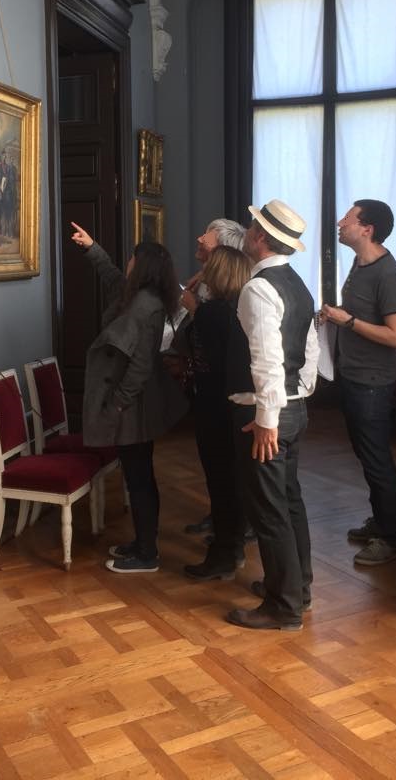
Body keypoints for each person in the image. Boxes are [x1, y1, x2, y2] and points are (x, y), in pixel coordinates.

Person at [71, 221, 189, 573]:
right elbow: (110, 276)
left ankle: (147, 553)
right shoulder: (141, 296)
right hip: (135, 403)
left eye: (133, 259)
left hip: (132, 405)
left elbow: (138, 366)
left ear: (143, 265)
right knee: (138, 474)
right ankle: (141, 542)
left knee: (138, 477)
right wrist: (92, 246)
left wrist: (119, 402)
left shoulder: (142, 306)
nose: (128, 263)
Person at [226, 199, 319, 632]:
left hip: (271, 413)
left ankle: (283, 608)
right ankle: (298, 588)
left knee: (269, 509)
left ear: (260, 237)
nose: (247, 230)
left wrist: (267, 417)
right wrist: (299, 394)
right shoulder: (298, 285)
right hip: (293, 406)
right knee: (290, 501)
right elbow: (311, 352)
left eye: (251, 226)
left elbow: (266, 359)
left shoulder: (258, 288)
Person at [320, 199, 396, 566]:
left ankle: (390, 537)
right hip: (354, 375)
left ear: (367, 229)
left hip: (372, 381)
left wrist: (348, 322)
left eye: (348, 218)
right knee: (365, 452)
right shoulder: (359, 263)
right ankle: (382, 520)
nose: (340, 223)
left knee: (375, 457)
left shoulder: (387, 274)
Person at [182, 245, 252, 581]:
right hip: (235, 406)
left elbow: (203, 350)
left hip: (213, 406)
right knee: (232, 482)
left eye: (210, 265)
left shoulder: (211, 313)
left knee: (220, 481)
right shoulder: (240, 307)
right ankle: (232, 546)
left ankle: (223, 554)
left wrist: (194, 309)